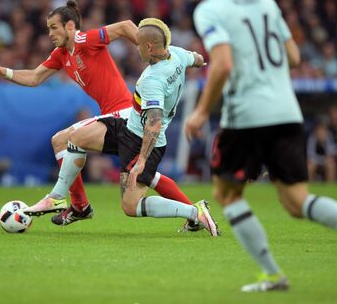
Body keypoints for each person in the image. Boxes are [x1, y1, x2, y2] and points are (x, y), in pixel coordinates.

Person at [184, 0, 337, 291]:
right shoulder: (265, 1)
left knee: (228, 195)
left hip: (247, 112)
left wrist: (201, 111)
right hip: (286, 109)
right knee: (296, 200)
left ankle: (272, 274)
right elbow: (293, 57)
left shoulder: (209, 8)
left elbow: (223, 64)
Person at [0, 0, 200, 230]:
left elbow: (125, 25)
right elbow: (35, 77)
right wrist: (4, 72)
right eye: (48, 28)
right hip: (115, 118)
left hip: (124, 114)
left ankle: (74, 203)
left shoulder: (83, 40)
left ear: (69, 26)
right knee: (148, 176)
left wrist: (149, 47)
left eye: (54, 27)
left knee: (62, 139)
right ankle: (195, 214)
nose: (50, 33)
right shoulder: (60, 55)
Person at [24, 18, 218, 236]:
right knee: (75, 138)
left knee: (131, 206)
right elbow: (197, 58)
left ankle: (194, 211)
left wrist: (142, 160)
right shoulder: (178, 54)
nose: (136, 50)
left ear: (149, 47)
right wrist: (202, 61)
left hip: (141, 141)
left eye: (138, 45)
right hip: (125, 126)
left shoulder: (152, 79)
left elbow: (154, 121)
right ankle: (58, 197)